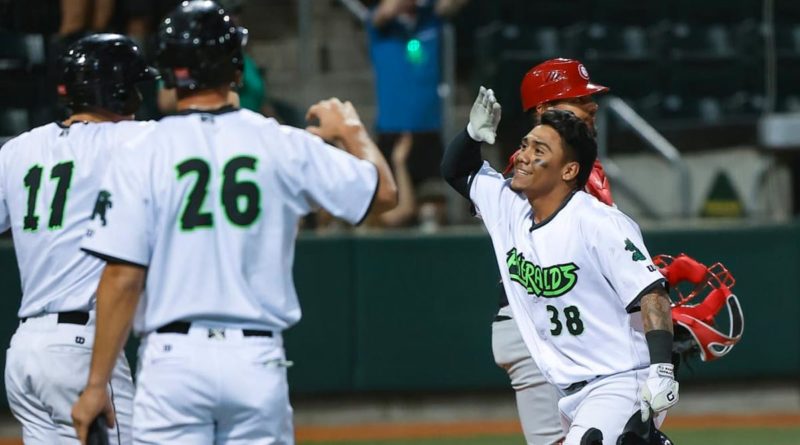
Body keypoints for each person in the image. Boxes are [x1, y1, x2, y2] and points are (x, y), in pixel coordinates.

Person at [70, 1, 397, 444]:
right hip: (255, 359)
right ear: (235, 66)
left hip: (174, 362)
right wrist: (353, 131)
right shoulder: (280, 142)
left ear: (169, 69)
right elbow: (383, 196)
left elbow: (122, 276)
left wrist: (95, 385)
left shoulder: (141, 150)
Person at [442, 89, 678, 444]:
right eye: (525, 145)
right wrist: (473, 135)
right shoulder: (507, 204)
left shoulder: (597, 222)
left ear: (569, 170)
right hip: (569, 390)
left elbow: (652, 293)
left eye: (540, 151)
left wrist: (662, 368)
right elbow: (457, 170)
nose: (522, 157)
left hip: (620, 381)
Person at [1, 33, 158, 445]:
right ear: (123, 92)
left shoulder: (18, 150)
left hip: (25, 353)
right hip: (82, 351)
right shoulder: (134, 141)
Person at [491, 58, 612, 445]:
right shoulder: (535, 174)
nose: (591, 107)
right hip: (542, 323)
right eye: (577, 99)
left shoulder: (578, 168)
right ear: (544, 111)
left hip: (561, 322)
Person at [362, 0, 467, 227]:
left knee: (433, 213)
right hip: (392, 131)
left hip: (428, 130)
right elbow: (387, 10)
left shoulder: (429, 17)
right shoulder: (380, 22)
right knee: (390, 216)